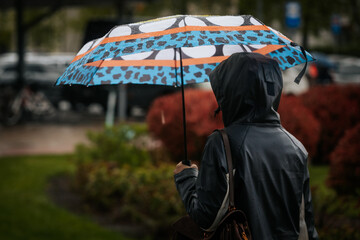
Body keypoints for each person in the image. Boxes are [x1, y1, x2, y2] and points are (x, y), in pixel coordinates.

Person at [173, 52, 319, 240]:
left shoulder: (222, 143)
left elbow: (206, 217)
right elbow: (305, 225)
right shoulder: (296, 148)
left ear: (229, 91)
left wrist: (185, 177)